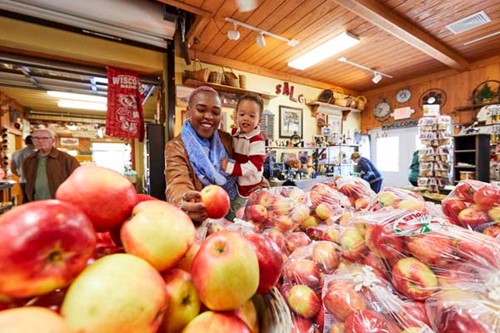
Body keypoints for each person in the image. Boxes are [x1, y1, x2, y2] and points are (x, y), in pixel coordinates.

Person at [165, 86, 237, 223]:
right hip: (198, 220)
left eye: (215, 112)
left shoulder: (227, 140)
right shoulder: (175, 147)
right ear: (188, 112)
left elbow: (246, 169)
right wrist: (184, 202)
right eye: (201, 110)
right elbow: (177, 182)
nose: (209, 117)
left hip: (232, 215)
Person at [221, 93, 266, 217]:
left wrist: (229, 168)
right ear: (236, 116)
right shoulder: (236, 135)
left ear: (259, 120)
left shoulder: (257, 140)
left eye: (251, 116)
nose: (246, 118)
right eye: (242, 114)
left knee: (238, 215)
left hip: (250, 189)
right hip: (238, 185)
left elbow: (253, 167)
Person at [23, 128, 80, 201]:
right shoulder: (29, 160)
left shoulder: (67, 159)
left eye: (45, 138)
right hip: (36, 202)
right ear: (32, 140)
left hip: (60, 202)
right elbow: (29, 182)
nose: (40, 141)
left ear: (52, 141)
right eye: (36, 138)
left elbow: (78, 182)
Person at [11, 135, 35, 203]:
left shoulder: (16, 153)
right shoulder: (36, 153)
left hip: (22, 180)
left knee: (25, 199)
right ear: (34, 142)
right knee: (34, 201)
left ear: (25, 142)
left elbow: (13, 169)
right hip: (34, 181)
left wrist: (20, 175)